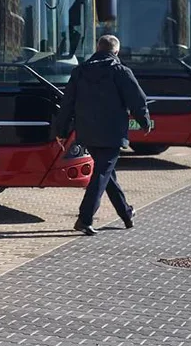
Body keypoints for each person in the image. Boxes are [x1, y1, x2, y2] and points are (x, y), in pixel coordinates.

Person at [51, 34, 151, 235]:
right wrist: (145, 122)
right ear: (116, 51)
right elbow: (137, 100)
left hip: (87, 132)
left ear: (97, 48)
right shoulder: (121, 71)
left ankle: (126, 213)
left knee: (107, 174)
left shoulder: (80, 71)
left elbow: (67, 103)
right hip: (112, 132)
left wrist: (61, 131)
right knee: (102, 173)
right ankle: (85, 218)